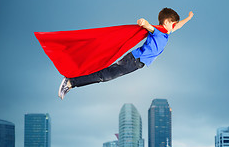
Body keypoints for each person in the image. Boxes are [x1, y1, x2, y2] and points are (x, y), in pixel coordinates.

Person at [58, 8, 194, 99]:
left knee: (104, 75)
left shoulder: (166, 33)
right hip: (133, 60)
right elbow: (149, 27)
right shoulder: (159, 31)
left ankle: (72, 81)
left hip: (135, 62)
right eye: (173, 24)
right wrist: (143, 22)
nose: (175, 26)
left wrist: (188, 18)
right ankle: (70, 82)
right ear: (166, 22)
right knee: (103, 76)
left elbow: (179, 25)